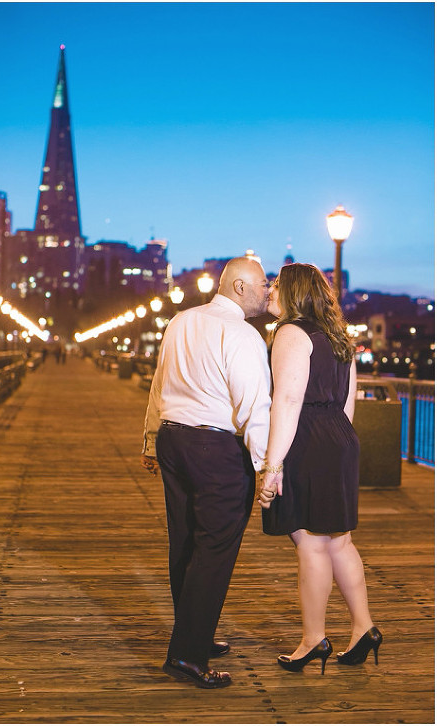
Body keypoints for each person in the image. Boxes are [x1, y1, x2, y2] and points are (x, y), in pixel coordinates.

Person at [140, 256, 272, 689]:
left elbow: (160, 384)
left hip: (174, 440)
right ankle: (187, 656)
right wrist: (267, 467)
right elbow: (255, 408)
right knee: (214, 548)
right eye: (262, 284)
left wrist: (149, 439)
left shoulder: (181, 321)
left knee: (185, 541)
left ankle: (194, 633)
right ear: (238, 288)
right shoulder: (242, 334)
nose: (268, 290)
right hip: (215, 447)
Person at [257, 263, 381, 673]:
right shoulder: (338, 335)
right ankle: (363, 628)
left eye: (276, 284)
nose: (269, 290)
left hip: (307, 440)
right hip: (340, 438)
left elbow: (287, 403)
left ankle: (314, 639)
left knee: (310, 544)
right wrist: (338, 441)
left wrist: (272, 466)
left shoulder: (290, 333)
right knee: (339, 542)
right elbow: (349, 402)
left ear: (292, 293)